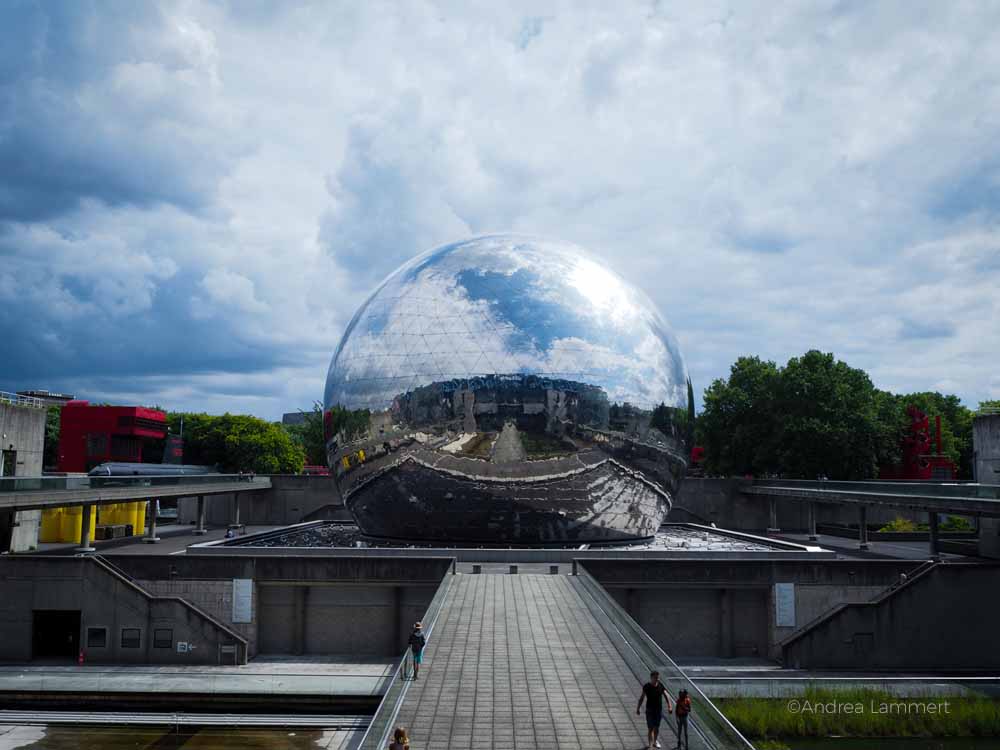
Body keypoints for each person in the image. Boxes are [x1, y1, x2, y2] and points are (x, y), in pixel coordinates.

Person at [636, 670, 672, 750]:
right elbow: (642, 698)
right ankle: (650, 745)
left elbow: (666, 695)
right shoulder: (647, 686)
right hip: (650, 710)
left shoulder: (660, 686)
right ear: (651, 678)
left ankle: (655, 741)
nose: (657, 679)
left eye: (658, 678)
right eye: (656, 678)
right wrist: (638, 708)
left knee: (656, 727)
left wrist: (669, 706)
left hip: (658, 711)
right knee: (650, 728)